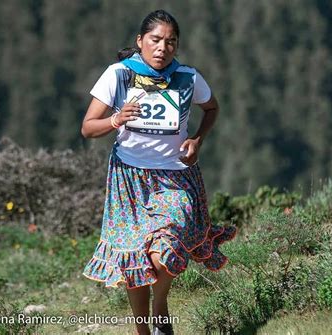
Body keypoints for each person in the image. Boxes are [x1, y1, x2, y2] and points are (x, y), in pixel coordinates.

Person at [81, 9, 237, 335]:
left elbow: (212, 108)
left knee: (164, 250)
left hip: (175, 177)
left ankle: (160, 305)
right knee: (134, 258)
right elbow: (87, 128)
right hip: (128, 180)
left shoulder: (188, 77)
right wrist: (115, 119)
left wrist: (197, 139)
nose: (162, 48)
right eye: (155, 40)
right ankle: (144, 330)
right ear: (140, 41)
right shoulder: (119, 75)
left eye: (171, 42)